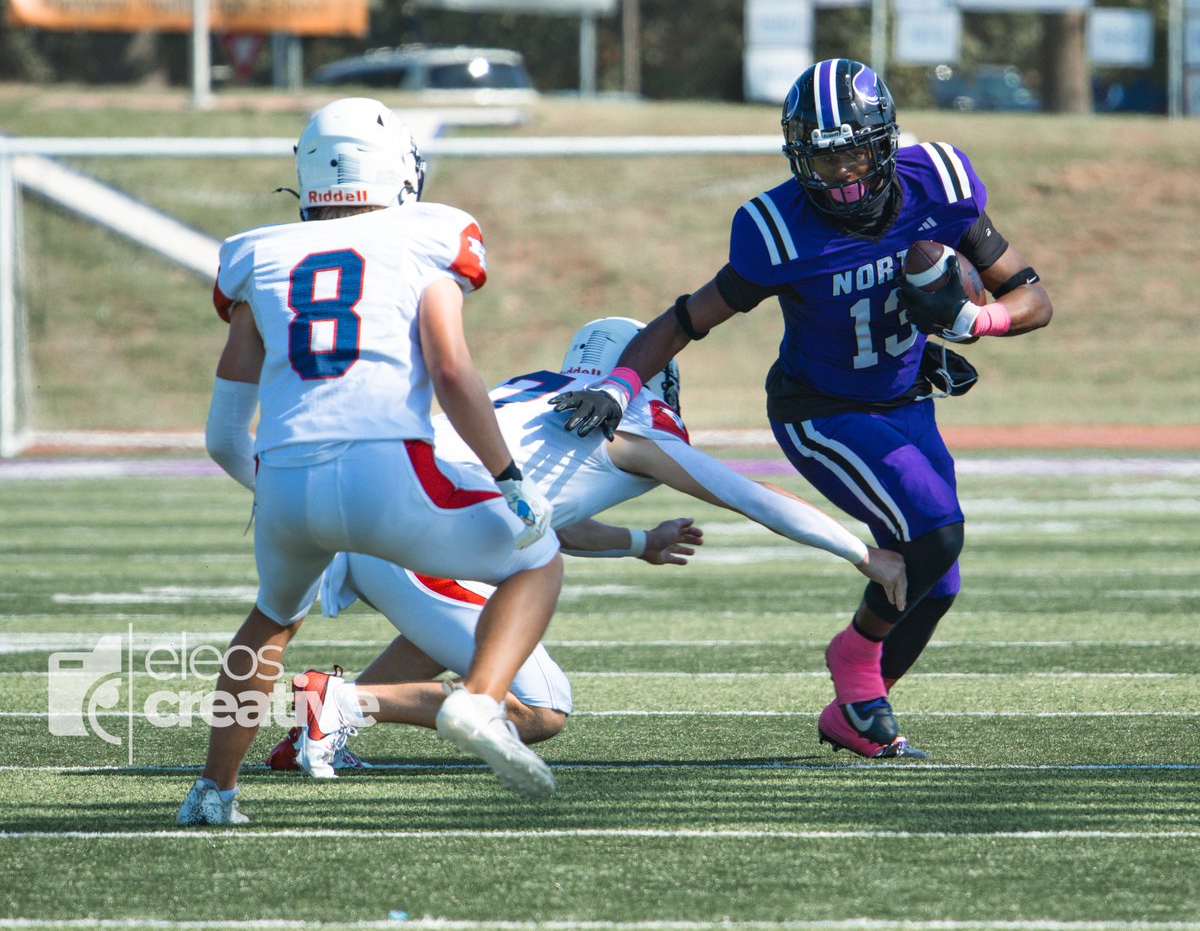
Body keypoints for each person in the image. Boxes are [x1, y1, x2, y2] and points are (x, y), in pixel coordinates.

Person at [550, 58, 1053, 759]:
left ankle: (857, 711)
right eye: (823, 159)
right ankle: (852, 658)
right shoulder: (777, 228)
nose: (843, 175)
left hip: (904, 400)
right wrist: (618, 385)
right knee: (936, 536)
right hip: (821, 411)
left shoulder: (940, 181)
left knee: (936, 579)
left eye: (854, 153)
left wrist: (974, 322)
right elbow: (689, 318)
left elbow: (1032, 297)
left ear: (885, 143)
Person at [254, 316, 908, 775]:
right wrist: (862, 553)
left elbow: (537, 516)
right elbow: (751, 496)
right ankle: (338, 702)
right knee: (542, 709)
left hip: (381, 522)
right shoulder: (631, 423)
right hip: (422, 532)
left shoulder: (534, 391)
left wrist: (637, 542)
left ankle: (313, 736)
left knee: (464, 625)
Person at [177, 97, 563, 824]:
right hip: (391, 464)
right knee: (537, 559)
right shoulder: (430, 234)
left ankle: (214, 791)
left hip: (286, 475)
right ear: (398, 171)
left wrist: (280, 495)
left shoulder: (255, 255)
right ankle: (478, 700)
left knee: (268, 622)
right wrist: (510, 479)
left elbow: (226, 433)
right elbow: (451, 372)